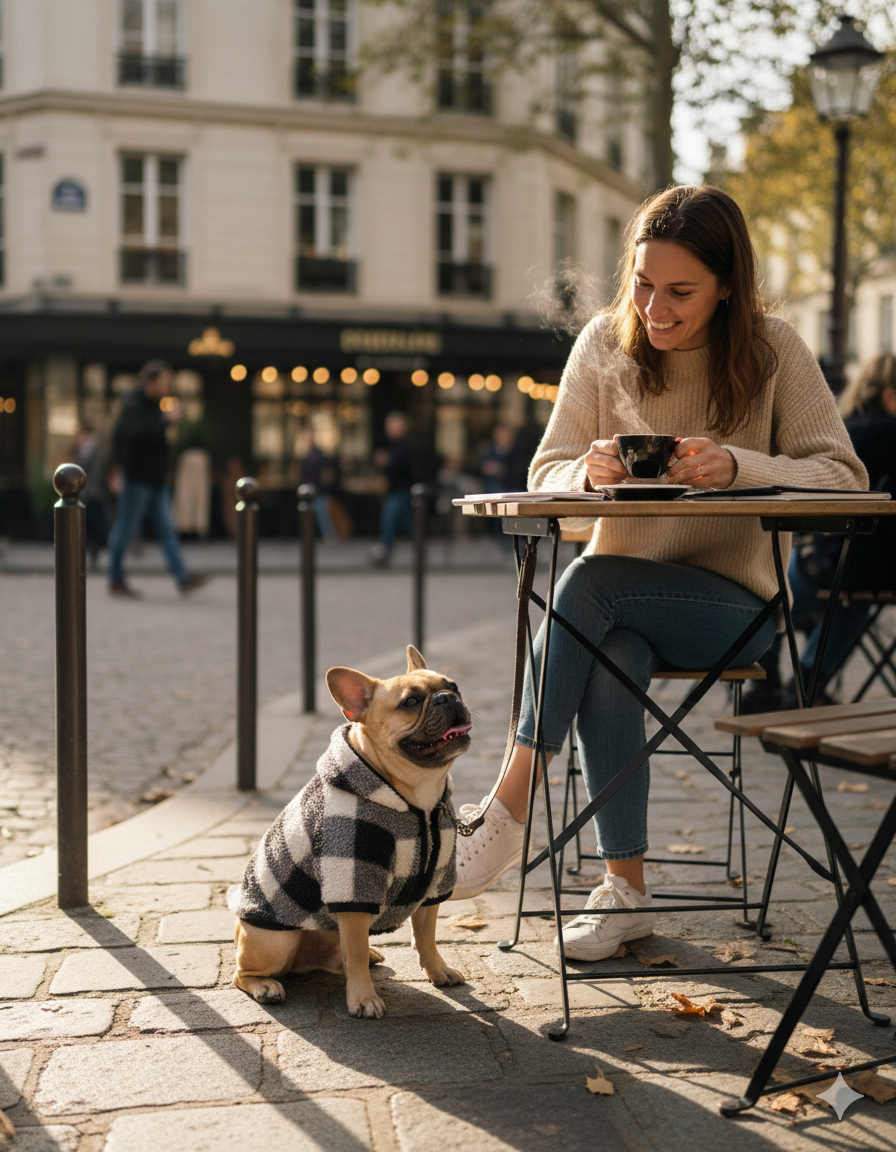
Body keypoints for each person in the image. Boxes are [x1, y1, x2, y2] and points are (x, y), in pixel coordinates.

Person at [451, 185, 867, 962]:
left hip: (733, 605)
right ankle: (627, 894)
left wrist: (740, 467)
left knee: (591, 586)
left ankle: (509, 805)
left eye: (681, 292)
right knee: (608, 652)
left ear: (727, 286)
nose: (656, 308)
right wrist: (587, 470)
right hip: (611, 610)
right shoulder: (604, 346)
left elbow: (844, 475)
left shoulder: (774, 349)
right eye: (643, 284)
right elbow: (547, 469)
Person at [742, 351, 896, 711]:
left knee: (774, 597)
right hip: (859, 571)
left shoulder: (839, 433)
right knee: (852, 603)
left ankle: (764, 684)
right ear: (889, 395)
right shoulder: (890, 434)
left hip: (809, 562)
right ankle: (809, 681)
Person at [106, 360, 211, 597]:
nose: (168, 387)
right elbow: (133, 437)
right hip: (137, 481)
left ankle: (183, 577)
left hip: (155, 481)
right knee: (125, 529)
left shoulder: (153, 406)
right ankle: (115, 578)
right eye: (164, 382)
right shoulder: (134, 405)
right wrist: (165, 422)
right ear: (151, 382)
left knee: (167, 530)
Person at [370, 411, 417, 566]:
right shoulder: (395, 444)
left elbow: (399, 465)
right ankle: (419, 545)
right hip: (396, 489)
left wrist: (386, 461)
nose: (389, 429)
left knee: (388, 518)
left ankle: (385, 550)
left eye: (392, 426)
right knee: (405, 522)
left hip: (402, 490)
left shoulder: (406, 444)